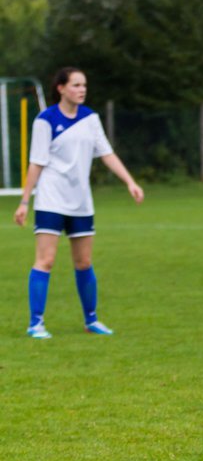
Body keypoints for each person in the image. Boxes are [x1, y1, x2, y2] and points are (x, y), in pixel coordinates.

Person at [12, 67, 144, 339]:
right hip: (50, 199)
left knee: (84, 262)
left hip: (81, 202)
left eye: (84, 85)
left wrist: (130, 182)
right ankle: (36, 323)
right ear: (61, 88)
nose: (82, 89)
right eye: (75, 85)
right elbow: (36, 163)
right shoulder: (45, 120)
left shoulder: (90, 119)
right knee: (45, 261)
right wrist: (25, 201)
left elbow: (107, 154)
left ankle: (91, 320)